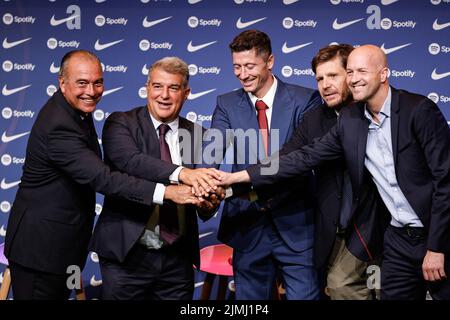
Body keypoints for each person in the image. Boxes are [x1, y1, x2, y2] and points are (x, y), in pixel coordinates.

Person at [218, 45, 450, 300]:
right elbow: (300, 157)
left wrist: (436, 246)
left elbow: (445, 180)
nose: (352, 78)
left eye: (359, 71)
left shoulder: (417, 110)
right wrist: (238, 178)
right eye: (349, 72)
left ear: (383, 74)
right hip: (392, 237)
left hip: (431, 231)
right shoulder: (351, 119)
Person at [4, 50, 218, 300]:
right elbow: (109, 175)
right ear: (62, 83)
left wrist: (206, 202)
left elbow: (203, 195)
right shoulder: (74, 123)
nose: (91, 90)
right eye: (82, 82)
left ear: (186, 92)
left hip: (171, 259)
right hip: (48, 250)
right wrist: (175, 184)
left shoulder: (77, 114)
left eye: (97, 82)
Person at [89, 57, 224, 300]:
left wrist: (208, 203)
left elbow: (204, 200)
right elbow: (131, 161)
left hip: (177, 260)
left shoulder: (201, 136)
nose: (164, 95)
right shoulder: (121, 123)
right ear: (147, 88)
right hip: (127, 256)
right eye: (157, 86)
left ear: (186, 93)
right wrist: (182, 173)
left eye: (173, 88)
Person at [202, 30, 322, 299]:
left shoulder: (306, 100)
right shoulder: (226, 103)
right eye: (236, 66)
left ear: (269, 61)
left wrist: (239, 178)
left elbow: (300, 158)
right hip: (248, 224)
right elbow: (211, 152)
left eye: (249, 66)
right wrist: (203, 181)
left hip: (296, 224)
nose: (242, 74)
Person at [280, 44, 378, 299]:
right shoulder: (314, 119)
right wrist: (238, 182)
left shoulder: (377, 112)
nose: (325, 85)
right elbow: (284, 160)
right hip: (339, 235)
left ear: (353, 74)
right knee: (341, 289)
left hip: (386, 232)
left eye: (333, 76)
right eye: (320, 79)